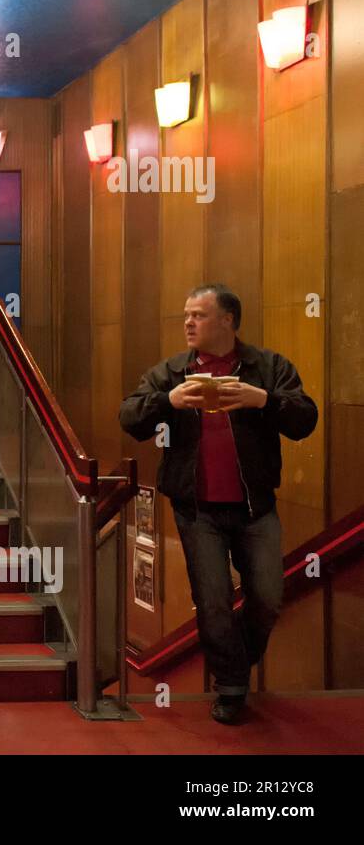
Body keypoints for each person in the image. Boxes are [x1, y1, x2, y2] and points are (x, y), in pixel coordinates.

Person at [119, 284, 317, 725]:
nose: (188, 323)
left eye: (199, 315)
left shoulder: (268, 367)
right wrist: (167, 401)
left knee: (267, 598)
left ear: (227, 320)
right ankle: (231, 687)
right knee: (213, 601)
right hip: (197, 511)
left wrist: (262, 400)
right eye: (186, 315)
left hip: (255, 509)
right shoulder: (172, 372)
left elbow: (305, 418)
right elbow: (129, 417)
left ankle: (235, 661)